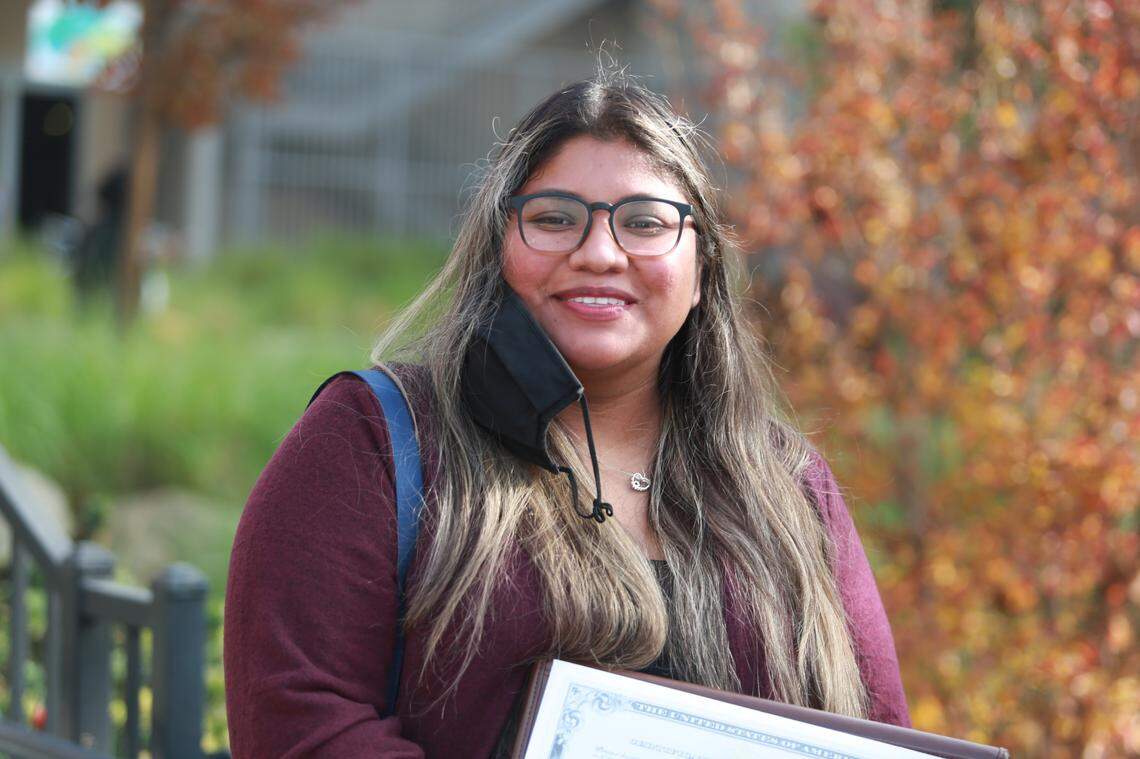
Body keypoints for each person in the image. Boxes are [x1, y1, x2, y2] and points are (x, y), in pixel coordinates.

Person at [223, 69, 910, 758]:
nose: (601, 254)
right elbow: (301, 721)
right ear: (500, 249)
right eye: (554, 218)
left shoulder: (791, 486)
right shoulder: (375, 440)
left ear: (702, 269)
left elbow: (879, 732)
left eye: (645, 222)